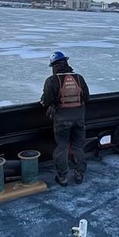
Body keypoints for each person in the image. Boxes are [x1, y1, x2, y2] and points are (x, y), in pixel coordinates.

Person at [40, 51, 90, 186]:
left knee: (62, 147)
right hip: (79, 118)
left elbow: (45, 100)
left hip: (62, 120)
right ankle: (79, 174)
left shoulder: (52, 80)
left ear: (54, 66)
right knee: (78, 147)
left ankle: (62, 177)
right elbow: (87, 97)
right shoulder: (79, 78)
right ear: (66, 63)